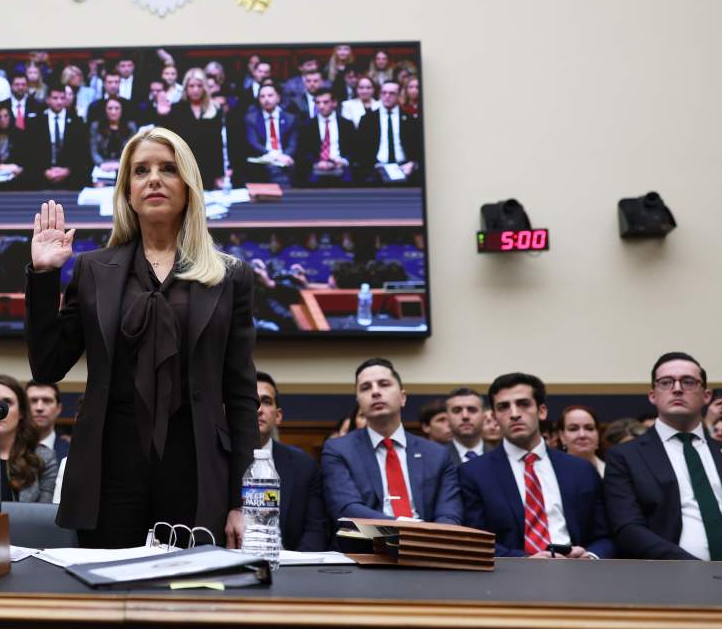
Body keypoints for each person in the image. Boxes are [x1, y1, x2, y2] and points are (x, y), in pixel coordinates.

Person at [26, 126, 258, 548]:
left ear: (188, 188)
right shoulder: (93, 270)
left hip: (196, 468)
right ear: (127, 192)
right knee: (106, 603)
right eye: (141, 171)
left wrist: (244, 502)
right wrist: (44, 276)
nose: (154, 178)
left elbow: (241, 396)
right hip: (110, 467)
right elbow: (48, 365)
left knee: (191, 601)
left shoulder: (229, 276)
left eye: (168, 169)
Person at [604, 352, 722, 560]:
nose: (677, 389)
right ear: (652, 395)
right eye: (666, 382)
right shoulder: (626, 457)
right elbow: (627, 529)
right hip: (675, 577)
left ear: (706, 396)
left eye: (688, 382)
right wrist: (694, 568)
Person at [459, 373, 614, 558]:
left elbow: (606, 535)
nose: (515, 414)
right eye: (503, 407)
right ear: (494, 417)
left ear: (542, 411)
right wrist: (525, 561)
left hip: (578, 572)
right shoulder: (474, 473)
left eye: (523, 404)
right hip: (510, 578)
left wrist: (590, 556)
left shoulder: (581, 470)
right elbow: (475, 540)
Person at [321, 358, 461, 525]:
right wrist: (409, 528)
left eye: (384, 384)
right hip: (364, 545)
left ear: (402, 398)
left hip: (428, 546)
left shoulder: (437, 454)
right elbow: (346, 509)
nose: (375, 392)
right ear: (359, 402)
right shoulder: (339, 450)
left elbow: (450, 515)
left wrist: (426, 539)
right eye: (366, 388)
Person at [257, 372, 329, 551]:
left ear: (278, 416)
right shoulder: (216, 465)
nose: (258, 409)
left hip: (290, 565)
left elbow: (316, 530)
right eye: (250, 402)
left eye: (266, 402)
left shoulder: (303, 465)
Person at [160, 68, 225, 188]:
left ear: (204, 87)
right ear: (186, 87)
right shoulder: (176, 109)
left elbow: (217, 144)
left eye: (199, 86)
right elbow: (168, 142)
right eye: (192, 86)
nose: (196, 90)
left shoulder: (215, 109)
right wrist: (162, 116)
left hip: (207, 169)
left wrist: (219, 175)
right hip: (182, 169)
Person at [23, 86, 90, 189]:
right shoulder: (35, 122)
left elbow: (81, 152)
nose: (59, 102)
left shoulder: (77, 122)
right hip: (41, 175)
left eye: (62, 98)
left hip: (70, 176)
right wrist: (45, 171)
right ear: (48, 100)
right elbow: (31, 152)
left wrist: (67, 170)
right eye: (55, 98)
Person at [355, 81, 422, 180]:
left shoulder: (410, 119)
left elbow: (418, 147)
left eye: (392, 93)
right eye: (384, 93)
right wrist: (372, 166)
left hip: (404, 167)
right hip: (376, 168)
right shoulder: (367, 119)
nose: (387, 96)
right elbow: (360, 150)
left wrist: (413, 163)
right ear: (380, 95)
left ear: (399, 95)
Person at [294, 88, 356, 186]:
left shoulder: (346, 125)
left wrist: (343, 161)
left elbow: (354, 149)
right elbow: (302, 151)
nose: (321, 106)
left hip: (341, 166)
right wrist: (317, 162)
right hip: (316, 167)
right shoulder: (307, 126)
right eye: (318, 103)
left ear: (334, 103)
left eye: (325, 102)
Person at [240, 82, 298, 186]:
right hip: (262, 160)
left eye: (270, 95)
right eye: (262, 96)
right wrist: (276, 155)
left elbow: (292, 144)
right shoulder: (251, 118)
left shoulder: (290, 118)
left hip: (284, 161)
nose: (266, 99)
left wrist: (284, 156)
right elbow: (254, 143)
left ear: (278, 98)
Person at [88, 97, 137, 181]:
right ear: (105, 110)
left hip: (123, 167)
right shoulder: (96, 126)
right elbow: (94, 150)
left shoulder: (131, 127)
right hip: (102, 167)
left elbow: (132, 151)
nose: (113, 112)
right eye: (110, 108)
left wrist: (119, 164)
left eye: (116, 108)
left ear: (122, 110)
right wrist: (101, 164)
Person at [26, 380, 69, 461]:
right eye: (33, 401)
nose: (39, 408)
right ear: (23, 407)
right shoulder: (7, 448)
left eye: (47, 401)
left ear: (58, 409)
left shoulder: (72, 452)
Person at [557, 405, 605, 476]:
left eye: (589, 428)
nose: (582, 435)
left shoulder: (613, 472)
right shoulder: (550, 474)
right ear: (562, 436)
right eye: (573, 429)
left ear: (598, 434)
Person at [446, 387, 487, 464]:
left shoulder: (503, 456)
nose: (465, 416)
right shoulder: (436, 458)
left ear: (484, 417)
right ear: (447, 418)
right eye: (457, 410)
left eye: (472, 410)